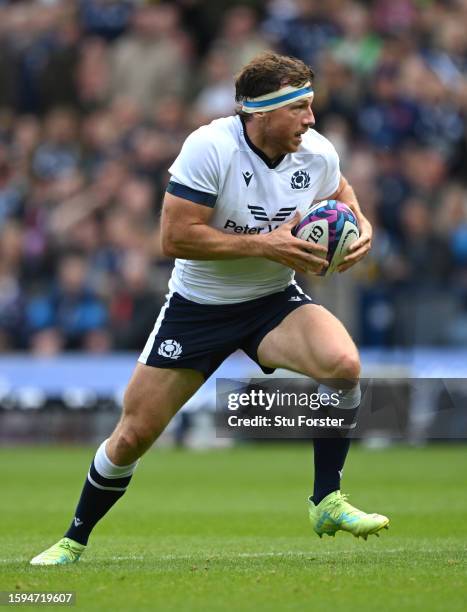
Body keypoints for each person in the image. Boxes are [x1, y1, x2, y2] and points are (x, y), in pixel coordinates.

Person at [30, 51, 388, 565]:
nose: (311, 119)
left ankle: (326, 499)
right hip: (198, 307)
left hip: (270, 302)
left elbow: (341, 190)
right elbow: (175, 237)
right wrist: (267, 244)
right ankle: (73, 540)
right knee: (131, 436)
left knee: (344, 366)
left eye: (312, 106)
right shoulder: (209, 147)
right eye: (301, 108)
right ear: (262, 113)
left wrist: (363, 227)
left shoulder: (316, 151)